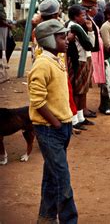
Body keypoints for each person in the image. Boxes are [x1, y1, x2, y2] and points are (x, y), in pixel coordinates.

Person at [28, 19, 78, 223]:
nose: (66, 40)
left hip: (61, 127)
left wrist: (66, 122)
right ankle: (69, 220)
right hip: (49, 129)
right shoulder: (42, 64)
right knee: (62, 180)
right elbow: (37, 100)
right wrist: (56, 123)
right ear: (48, 39)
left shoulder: (57, 60)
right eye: (61, 37)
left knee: (51, 175)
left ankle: (46, 216)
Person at [65, 5, 95, 130]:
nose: (85, 17)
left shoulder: (73, 25)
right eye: (82, 15)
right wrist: (90, 30)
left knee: (82, 90)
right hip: (79, 61)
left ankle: (81, 117)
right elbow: (89, 45)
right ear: (76, 17)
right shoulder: (75, 27)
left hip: (82, 59)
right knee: (78, 90)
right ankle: (75, 119)